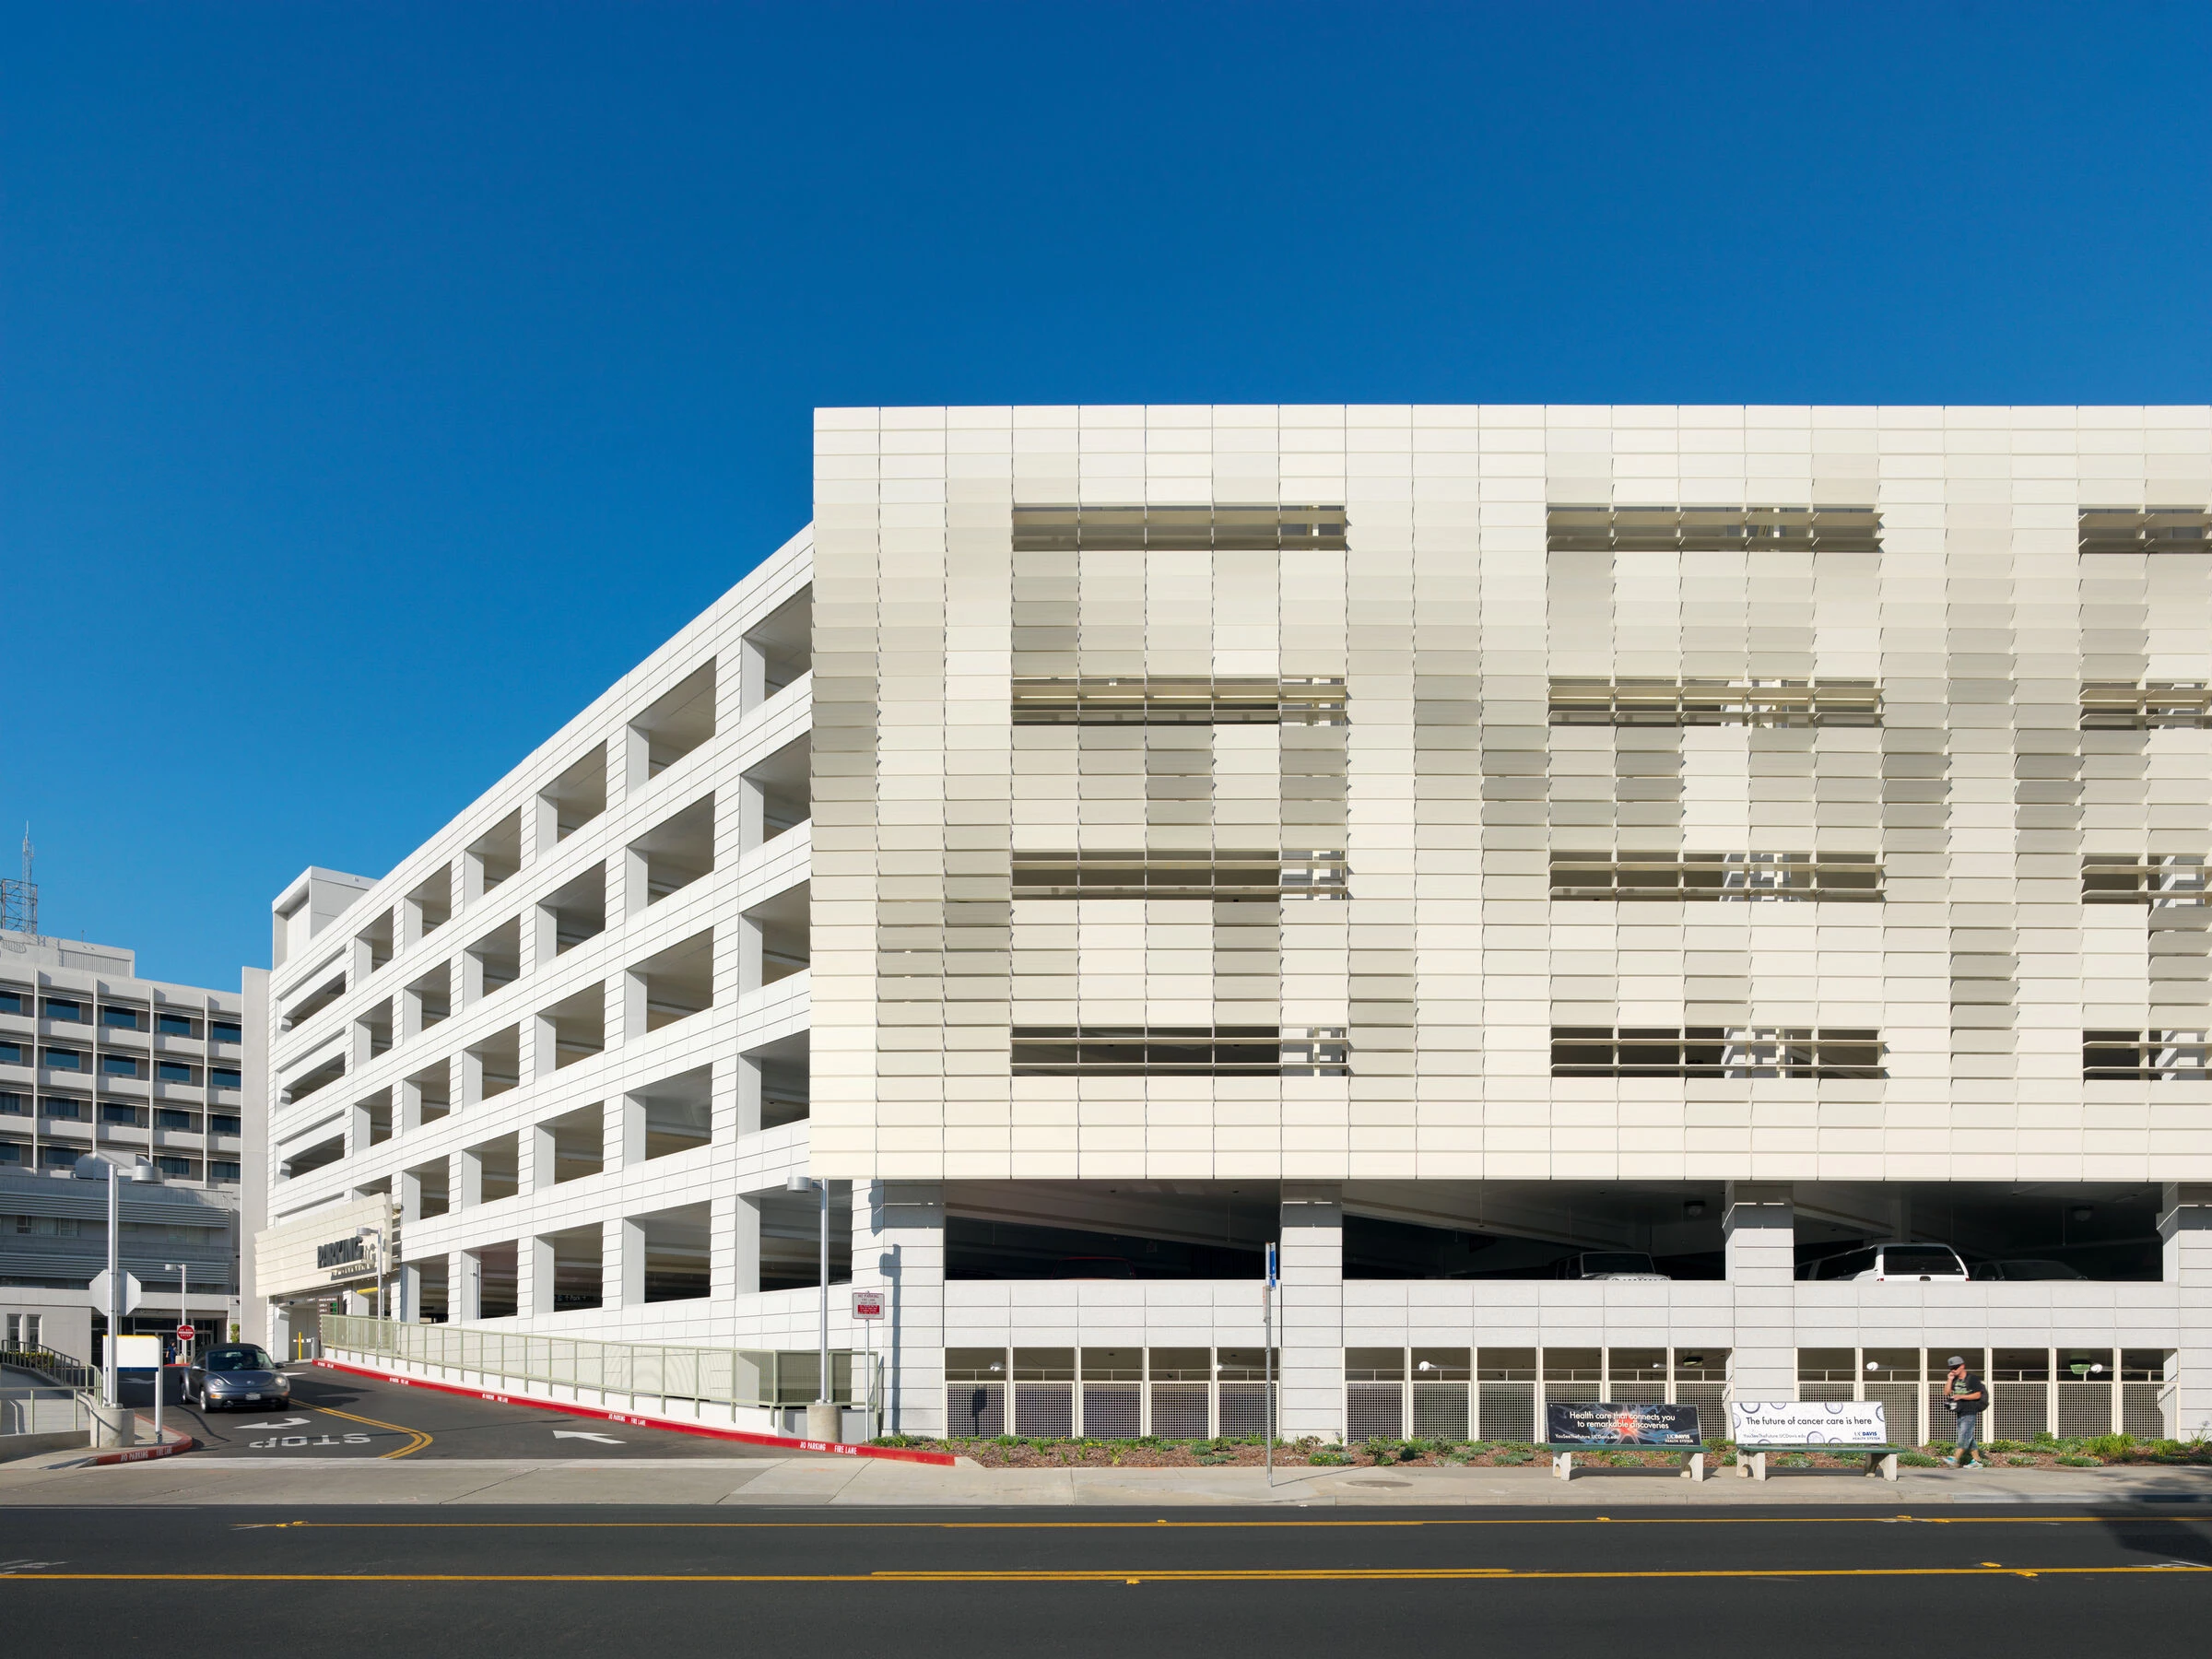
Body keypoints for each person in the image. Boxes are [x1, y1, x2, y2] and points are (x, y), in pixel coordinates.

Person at [1942, 1354, 1987, 1467]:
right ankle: (1977, 1462)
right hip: (1960, 1411)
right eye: (1951, 1368)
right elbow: (1946, 1392)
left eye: (1955, 1368)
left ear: (1962, 1366)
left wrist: (1961, 1396)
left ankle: (1955, 1459)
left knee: (1964, 1435)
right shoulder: (1955, 1379)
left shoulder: (1972, 1379)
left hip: (1970, 1410)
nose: (1953, 1370)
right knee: (1968, 1437)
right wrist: (1950, 1379)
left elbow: (1977, 1395)